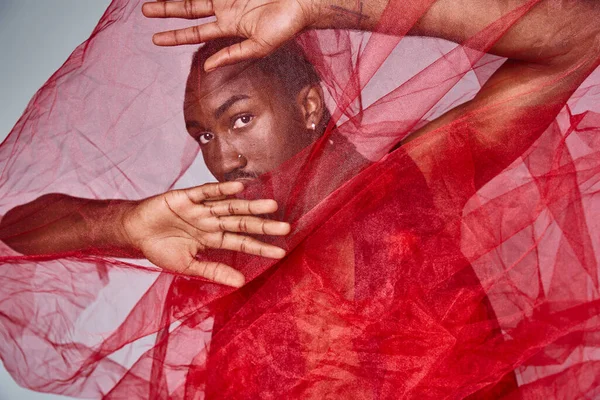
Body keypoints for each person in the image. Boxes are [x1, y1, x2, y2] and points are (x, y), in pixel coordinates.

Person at [0, 0, 599, 398]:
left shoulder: (418, 174)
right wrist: (125, 221)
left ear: (309, 106)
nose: (221, 158)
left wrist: (326, 6)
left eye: (239, 119)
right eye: (203, 135)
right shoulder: (224, 236)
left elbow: (583, 30)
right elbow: (15, 231)